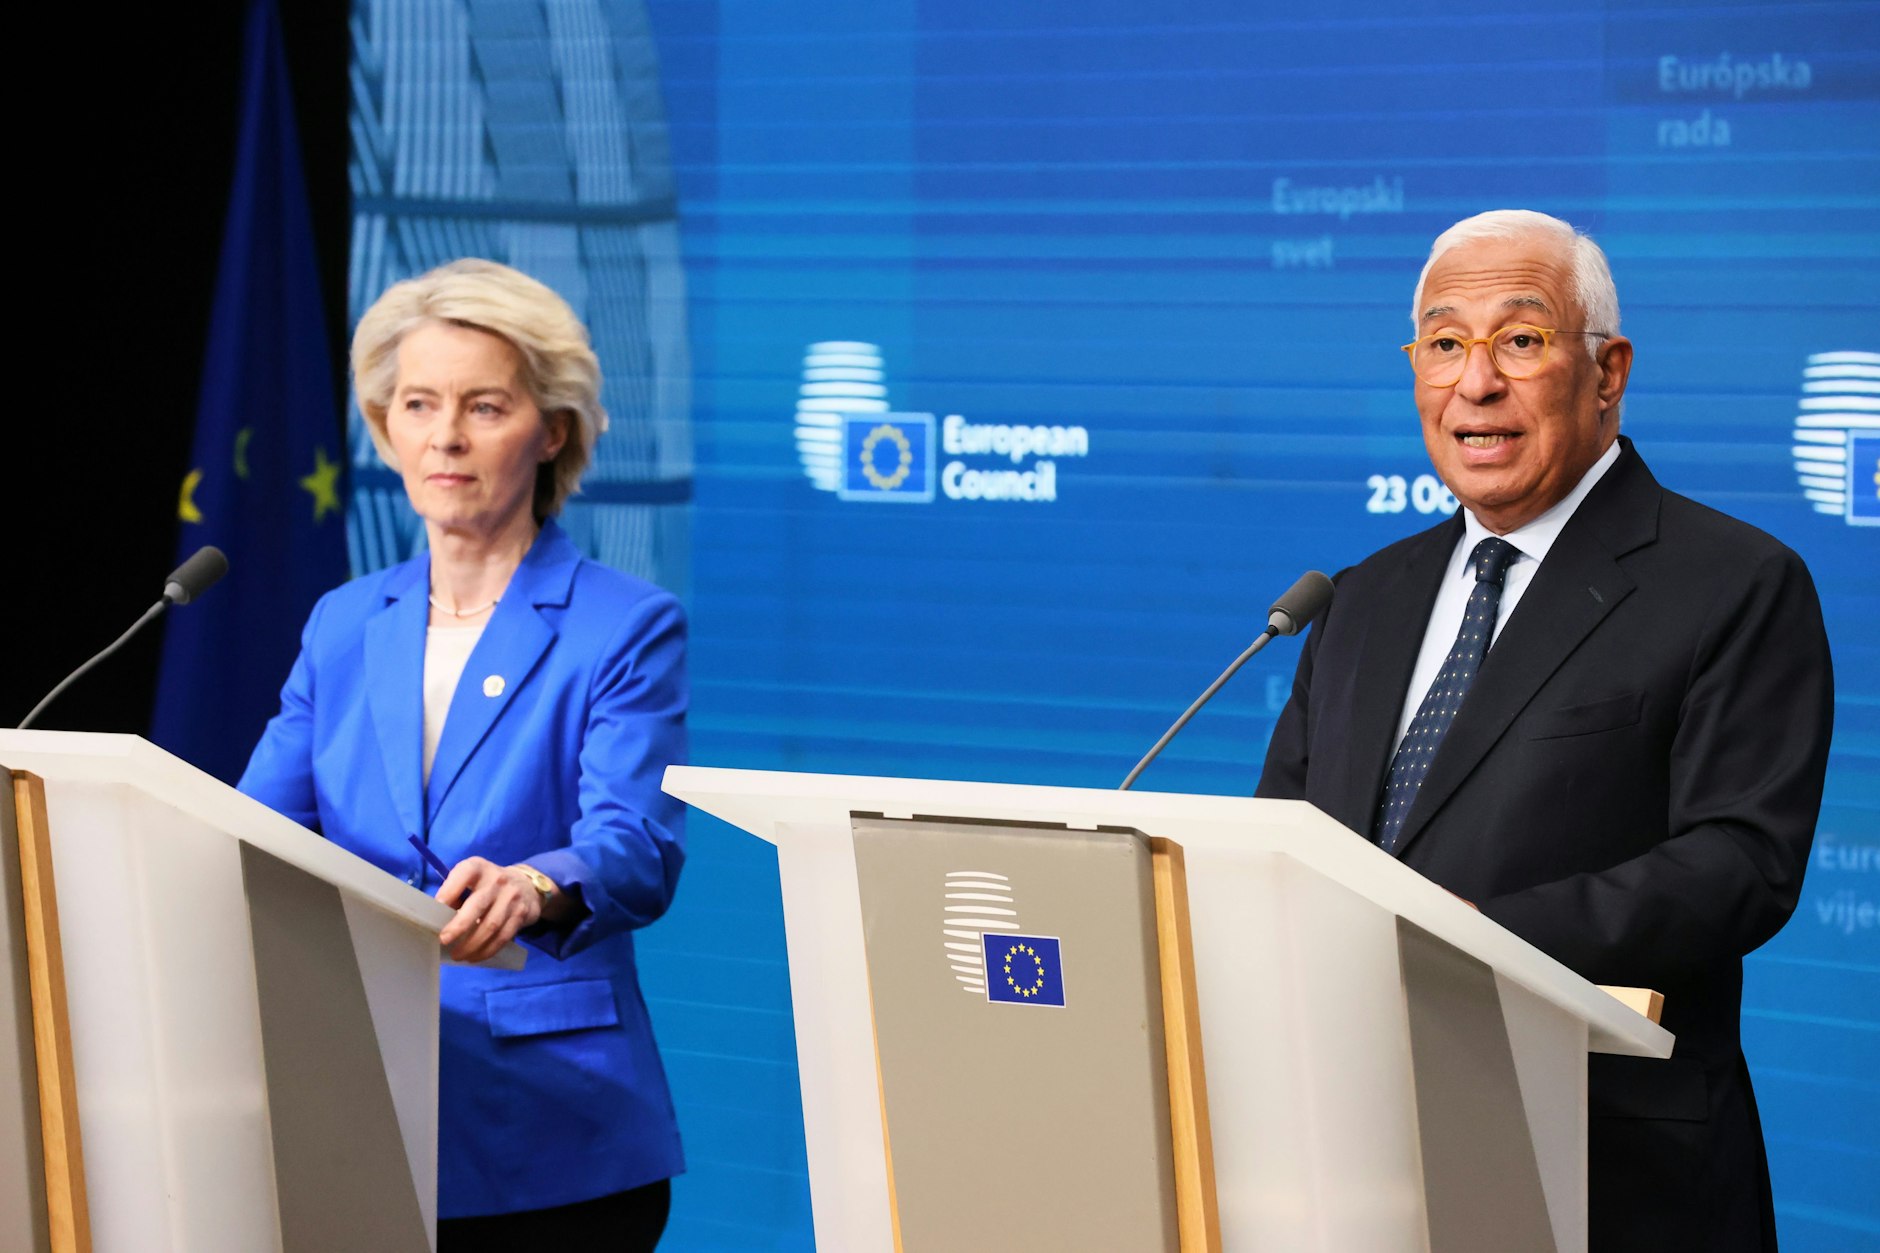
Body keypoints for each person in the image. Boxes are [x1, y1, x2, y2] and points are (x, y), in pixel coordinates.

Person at [1258, 210, 1833, 1252]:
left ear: (1606, 372)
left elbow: (1740, 860)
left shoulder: (1732, 583)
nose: (1472, 382)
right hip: (1345, 1154)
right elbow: (1281, 844)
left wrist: (1476, 936)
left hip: (1601, 1168)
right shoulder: (1357, 599)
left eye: (1517, 341)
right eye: (1442, 343)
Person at [240, 258, 686, 1250]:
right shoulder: (345, 621)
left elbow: (638, 845)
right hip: (356, 1096)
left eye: (483, 406)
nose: (444, 435)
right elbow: (252, 826)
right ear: (385, 425)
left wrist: (535, 883)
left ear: (552, 428)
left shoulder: (624, 625)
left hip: (551, 1123)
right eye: (417, 403)